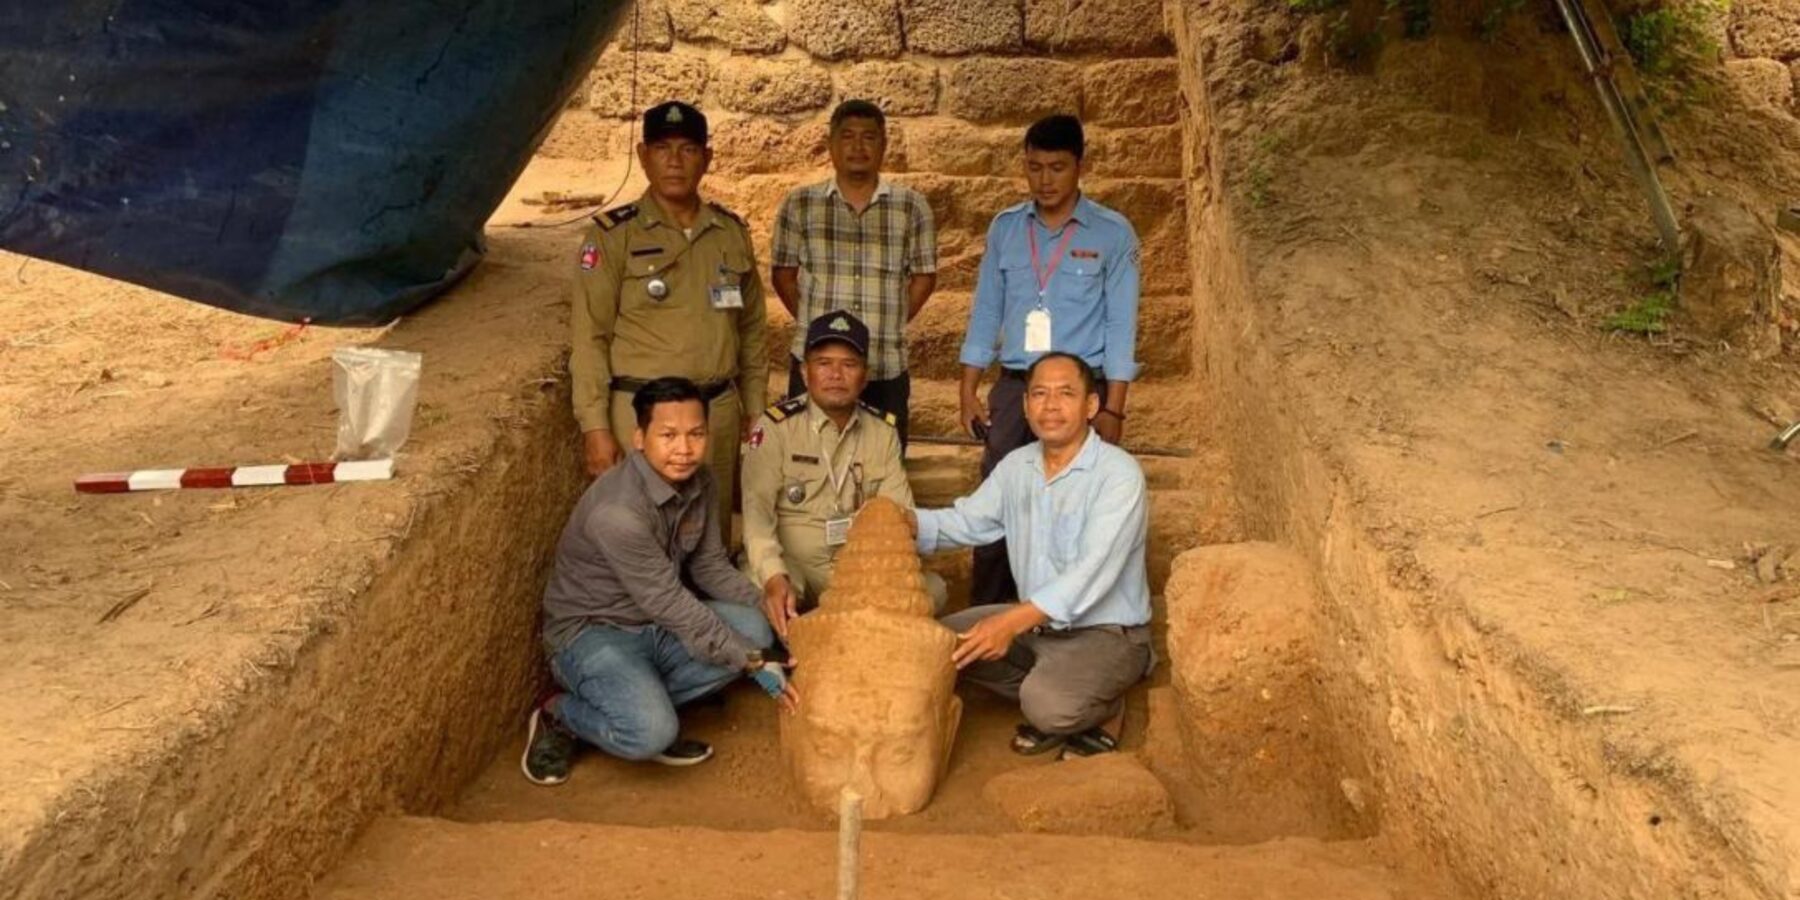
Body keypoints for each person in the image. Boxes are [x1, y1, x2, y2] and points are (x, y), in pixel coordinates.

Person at [523, 378, 797, 786]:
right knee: (650, 733)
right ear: (639, 437)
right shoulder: (618, 512)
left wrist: (772, 607)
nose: (684, 449)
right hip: (594, 633)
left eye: (696, 434)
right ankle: (559, 714)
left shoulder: (701, 482)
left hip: (655, 625)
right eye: (668, 435)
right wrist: (752, 661)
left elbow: (709, 568)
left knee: (754, 628)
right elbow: (669, 602)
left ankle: (641, 699)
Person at [914, 353, 1152, 758]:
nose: (1051, 405)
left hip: (1107, 633)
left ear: (1091, 406)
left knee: (1047, 707)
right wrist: (903, 521)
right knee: (932, 645)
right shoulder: (1016, 466)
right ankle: (1060, 684)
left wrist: (1007, 623)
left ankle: (1103, 702)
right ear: (1025, 406)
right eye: (1039, 394)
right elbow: (968, 522)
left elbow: (1089, 574)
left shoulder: (1119, 474)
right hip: (1036, 628)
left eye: (1065, 394)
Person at [957, 114, 1142, 605]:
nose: (1044, 180)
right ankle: (988, 619)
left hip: (1082, 389)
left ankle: (1072, 618)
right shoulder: (1007, 229)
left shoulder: (1112, 234)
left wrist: (1114, 407)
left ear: (1080, 165)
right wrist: (968, 387)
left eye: (1057, 168)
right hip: (1017, 386)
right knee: (999, 501)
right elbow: (986, 310)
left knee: (1078, 505)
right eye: (1034, 168)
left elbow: (1121, 326)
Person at [569, 100, 768, 526]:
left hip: (716, 414)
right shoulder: (613, 235)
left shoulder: (729, 233)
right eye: (662, 148)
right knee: (643, 540)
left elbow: (751, 331)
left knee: (710, 540)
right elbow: (590, 337)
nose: (675, 161)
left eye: (688, 150)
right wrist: (595, 427)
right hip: (642, 416)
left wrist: (754, 410)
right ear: (643, 157)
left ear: (707, 158)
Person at [741, 310, 946, 640]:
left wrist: (877, 577)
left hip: (857, 572)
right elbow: (757, 520)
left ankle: (828, 636)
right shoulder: (775, 428)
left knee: (932, 590)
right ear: (805, 373)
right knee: (757, 587)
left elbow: (899, 517)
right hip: (796, 570)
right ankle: (846, 634)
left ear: (864, 377)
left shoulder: (882, 431)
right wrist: (773, 576)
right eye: (823, 363)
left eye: (848, 365)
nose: (836, 374)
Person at [771, 99, 937, 445]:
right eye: (847, 137)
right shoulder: (800, 204)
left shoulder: (911, 207)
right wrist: (812, 321)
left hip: (884, 363)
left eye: (869, 138)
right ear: (830, 144)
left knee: (884, 472)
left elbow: (923, 276)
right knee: (807, 465)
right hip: (816, 364)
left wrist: (890, 320)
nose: (858, 147)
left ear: (884, 145)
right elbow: (784, 275)